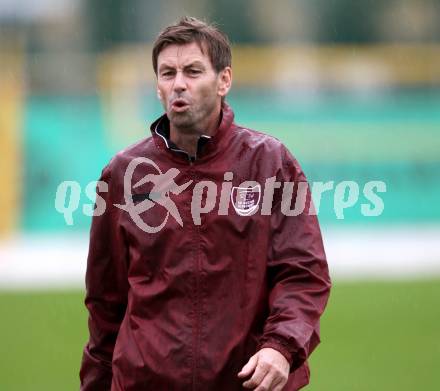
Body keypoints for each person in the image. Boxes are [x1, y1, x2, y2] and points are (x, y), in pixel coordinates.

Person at [79, 16, 331, 391]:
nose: (179, 83)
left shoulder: (269, 163)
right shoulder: (123, 175)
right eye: (167, 73)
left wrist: (281, 347)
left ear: (224, 80)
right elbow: (105, 304)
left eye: (193, 71)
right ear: (158, 86)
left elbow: (303, 272)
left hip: (245, 383)